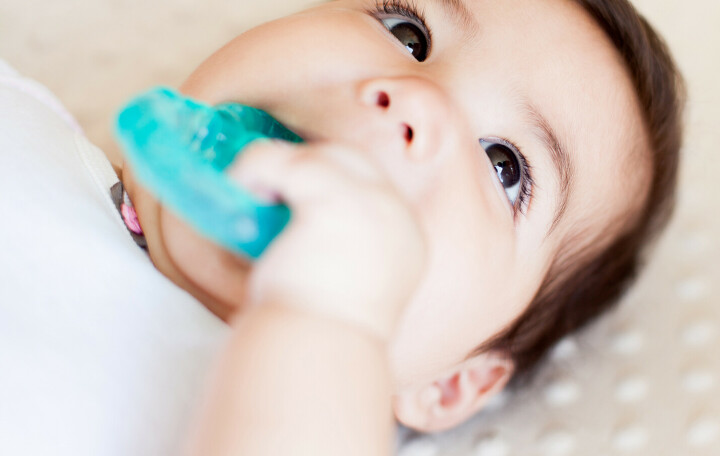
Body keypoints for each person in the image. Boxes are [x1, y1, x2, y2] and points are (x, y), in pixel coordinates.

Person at [0, 0, 683, 454]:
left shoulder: (318, 417)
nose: (416, 95)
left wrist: (326, 313)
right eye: (407, 31)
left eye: (505, 167)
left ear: (449, 385)